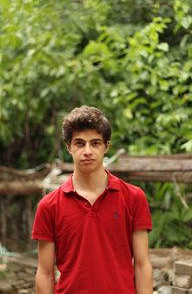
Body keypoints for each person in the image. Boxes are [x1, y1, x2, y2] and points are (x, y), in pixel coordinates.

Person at [32, 105, 153, 294]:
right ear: (68, 147)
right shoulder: (49, 206)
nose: (87, 150)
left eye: (95, 143)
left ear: (107, 146)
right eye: (79, 143)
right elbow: (45, 273)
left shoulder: (133, 197)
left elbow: (142, 265)